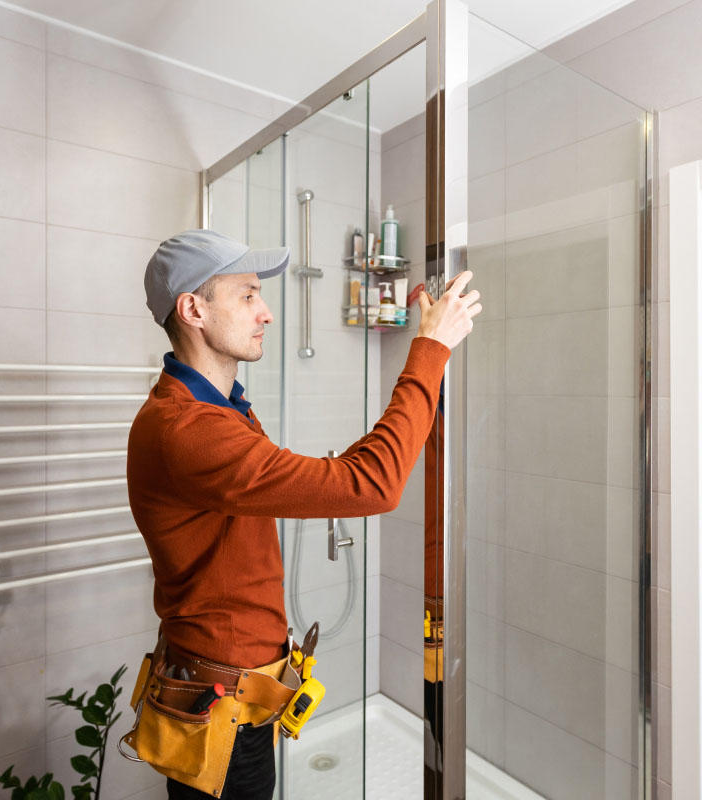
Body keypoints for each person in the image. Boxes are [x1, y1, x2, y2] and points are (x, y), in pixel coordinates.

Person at [127, 229, 481, 800]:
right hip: (224, 712)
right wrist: (431, 349)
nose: (266, 312)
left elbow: (336, 480)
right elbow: (373, 487)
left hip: (229, 693)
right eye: (246, 296)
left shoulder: (217, 408)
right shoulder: (188, 430)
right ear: (192, 308)